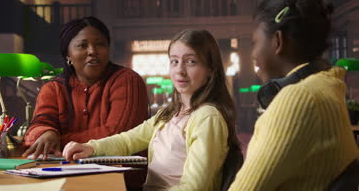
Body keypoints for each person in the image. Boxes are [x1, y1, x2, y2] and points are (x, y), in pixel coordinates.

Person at [63, 29, 240, 191]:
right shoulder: (168, 114)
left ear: (210, 69)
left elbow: (195, 188)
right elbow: (127, 141)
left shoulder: (207, 116)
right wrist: (90, 147)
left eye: (190, 62)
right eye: (174, 61)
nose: (180, 70)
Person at [229, 0, 359, 190]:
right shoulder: (327, 88)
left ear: (277, 41)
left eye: (255, 42)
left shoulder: (300, 97)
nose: (253, 54)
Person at [22, 16, 149, 159]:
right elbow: (34, 134)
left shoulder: (127, 80)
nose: (92, 51)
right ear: (68, 55)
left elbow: (118, 134)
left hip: (120, 174)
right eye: (82, 45)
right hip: (65, 170)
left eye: (100, 44)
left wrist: (57, 140)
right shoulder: (53, 88)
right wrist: (47, 133)